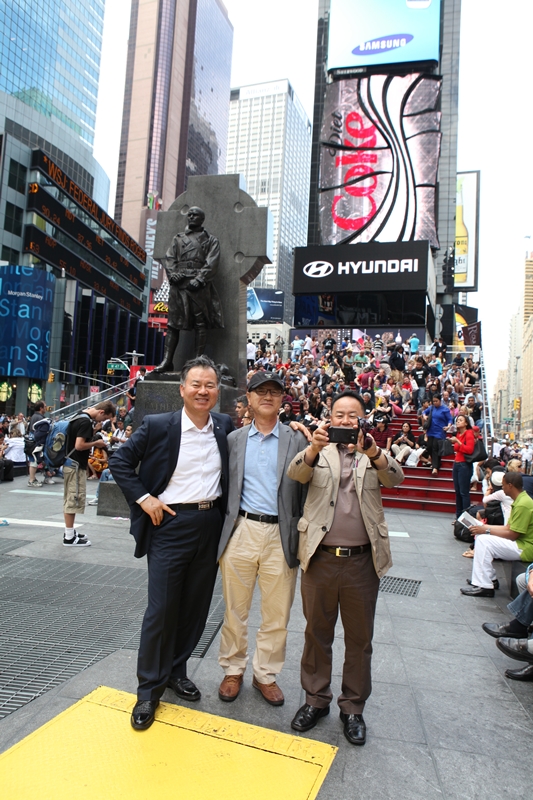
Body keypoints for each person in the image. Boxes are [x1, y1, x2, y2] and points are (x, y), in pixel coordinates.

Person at [109, 356, 233, 731]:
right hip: (170, 524)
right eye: (196, 384)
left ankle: (177, 671)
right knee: (161, 609)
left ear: (217, 391)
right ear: (182, 389)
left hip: (210, 523)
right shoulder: (159, 425)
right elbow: (120, 461)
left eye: (209, 385)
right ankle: (149, 690)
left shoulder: (225, 426)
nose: (203, 391)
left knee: (195, 608)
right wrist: (144, 498)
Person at [287, 391, 404, 746]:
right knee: (316, 633)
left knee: (359, 639)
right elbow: (296, 474)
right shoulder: (318, 448)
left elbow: (396, 478)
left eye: (353, 414)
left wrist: (374, 452)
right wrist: (313, 447)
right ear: (330, 416)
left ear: (362, 418)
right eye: (339, 414)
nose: (345, 420)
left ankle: (353, 707)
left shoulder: (372, 451)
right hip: (320, 558)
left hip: (362, 562)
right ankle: (315, 700)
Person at [216, 372, 307, 705]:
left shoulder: (298, 439)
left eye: (275, 392)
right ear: (249, 397)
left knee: (277, 612)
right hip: (241, 529)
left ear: (283, 399)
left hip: (281, 533)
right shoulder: (234, 439)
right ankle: (233, 669)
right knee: (234, 609)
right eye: (261, 391)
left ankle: (265, 674)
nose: (268, 396)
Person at [154, 207, 223, 371]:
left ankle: (198, 361)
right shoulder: (178, 239)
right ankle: (167, 361)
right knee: (173, 324)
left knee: (200, 323)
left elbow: (212, 262)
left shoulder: (211, 240)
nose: (191, 217)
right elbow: (170, 258)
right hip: (179, 285)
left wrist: (200, 279)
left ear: (202, 219)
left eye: (195, 215)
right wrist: (173, 274)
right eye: (189, 214)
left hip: (198, 287)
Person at [461, 472, 533, 597]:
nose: (502, 488)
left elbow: (512, 534)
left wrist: (486, 530)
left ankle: (485, 585)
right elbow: (508, 528)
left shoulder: (523, 504)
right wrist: (484, 528)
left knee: (484, 541)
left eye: (503, 485)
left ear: (510, 485)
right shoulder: (521, 500)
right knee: (483, 537)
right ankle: (489, 579)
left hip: (525, 547)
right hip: (521, 543)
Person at [62, 401, 116, 547]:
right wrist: (96, 443)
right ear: (101, 412)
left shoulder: (79, 415)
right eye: (104, 418)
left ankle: (70, 532)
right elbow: (79, 445)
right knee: (73, 498)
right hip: (75, 465)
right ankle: (69, 537)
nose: (102, 422)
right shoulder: (85, 422)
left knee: (70, 497)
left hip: (69, 462)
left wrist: (93, 432)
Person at [449, 414, 475, 518]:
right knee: (458, 492)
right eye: (457, 420)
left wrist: (457, 442)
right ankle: (458, 516)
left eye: (460, 420)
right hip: (457, 463)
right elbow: (457, 448)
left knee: (464, 492)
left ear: (466, 423)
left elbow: (469, 450)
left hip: (464, 464)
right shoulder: (459, 434)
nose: (458, 422)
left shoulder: (469, 433)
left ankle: (465, 517)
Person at [422, 395, 452, 475]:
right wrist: (424, 416)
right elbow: (424, 412)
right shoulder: (431, 408)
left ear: (440, 400)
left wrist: (448, 426)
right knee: (429, 447)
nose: (435, 403)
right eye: (433, 401)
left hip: (440, 432)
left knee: (435, 448)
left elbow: (450, 419)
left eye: (436, 401)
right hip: (430, 431)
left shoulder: (445, 409)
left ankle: (435, 468)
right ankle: (437, 463)